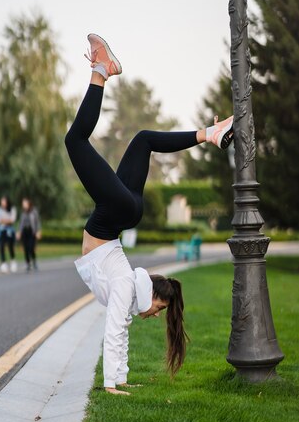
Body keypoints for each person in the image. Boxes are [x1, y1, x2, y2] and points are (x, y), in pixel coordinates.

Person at [65, 34, 234, 396]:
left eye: (159, 311)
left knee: (142, 139)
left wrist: (119, 380)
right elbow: (114, 331)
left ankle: (211, 134)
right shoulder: (127, 285)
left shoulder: (127, 289)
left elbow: (117, 331)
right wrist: (110, 384)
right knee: (76, 142)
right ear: (151, 292)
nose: (156, 314)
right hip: (117, 213)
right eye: (160, 308)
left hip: (123, 213)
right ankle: (100, 72)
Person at [18, 198, 42, 271]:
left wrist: (38, 231)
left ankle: (34, 261)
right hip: (25, 232)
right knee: (25, 248)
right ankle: (28, 263)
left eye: (25, 203)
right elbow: (21, 223)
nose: (23, 205)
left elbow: (37, 222)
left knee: (31, 247)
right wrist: (19, 232)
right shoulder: (23, 213)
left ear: (28, 203)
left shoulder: (34, 211)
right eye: (23, 204)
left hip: (32, 232)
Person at [0, 196, 17, 273]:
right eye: (2, 202)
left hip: (10, 231)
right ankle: (3, 263)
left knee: (10, 246)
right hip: (1, 230)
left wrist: (4, 220)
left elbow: (12, 220)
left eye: (4, 201)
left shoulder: (12, 209)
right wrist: (6, 220)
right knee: (1, 246)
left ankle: (13, 261)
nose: (2, 203)